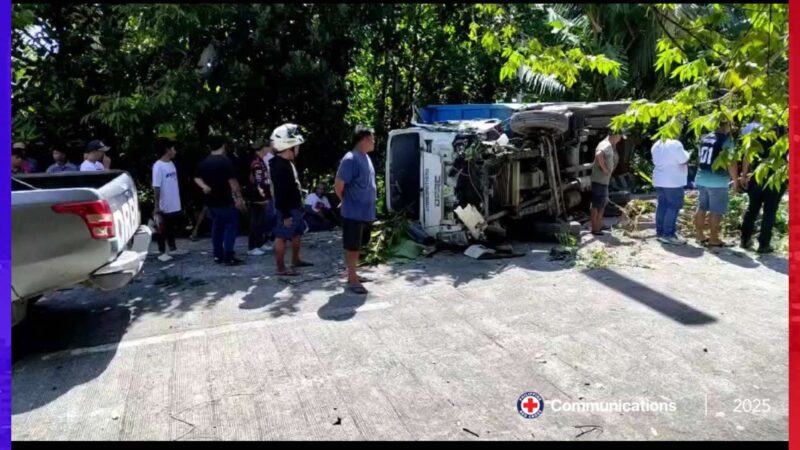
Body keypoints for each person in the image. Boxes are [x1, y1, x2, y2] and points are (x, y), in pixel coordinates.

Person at [335, 126, 378, 295]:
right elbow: (339, 185)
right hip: (353, 212)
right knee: (352, 246)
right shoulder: (350, 159)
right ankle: (352, 280)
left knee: (359, 245)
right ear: (364, 139)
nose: (374, 142)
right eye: (372, 138)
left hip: (365, 212)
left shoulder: (365, 157)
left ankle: (354, 275)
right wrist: (345, 201)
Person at [194, 136, 247, 266]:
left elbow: (196, 177)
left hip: (211, 201)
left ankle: (218, 255)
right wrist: (239, 198)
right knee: (231, 226)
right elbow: (233, 183)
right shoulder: (225, 162)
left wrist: (204, 186)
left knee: (216, 227)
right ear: (223, 146)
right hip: (225, 200)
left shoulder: (204, 162)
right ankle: (229, 255)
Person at [269, 123, 313, 276]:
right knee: (282, 236)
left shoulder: (286, 163)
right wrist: (286, 215)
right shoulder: (279, 167)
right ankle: (281, 268)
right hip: (286, 209)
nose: (298, 149)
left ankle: (295, 260)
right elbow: (281, 193)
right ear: (288, 146)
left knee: (297, 233)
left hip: (294, 206)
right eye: (296, 146)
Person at [739, 123, 788, 254]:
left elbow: (747, 157)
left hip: (757, 177)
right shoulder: (786, 140)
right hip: (777, 179)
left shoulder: (758, 137)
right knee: (770, 212)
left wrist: (744, 175)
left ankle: (745, 239)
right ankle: (764, 244)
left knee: (752, 208)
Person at [694, 121, 739, 248]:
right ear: (726, 126)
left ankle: (699, 235)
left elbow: (699, 158)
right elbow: (731, 162)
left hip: (701, 177)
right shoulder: (727, 141)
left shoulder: (705, 138)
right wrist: (735, 180)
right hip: (718, 180)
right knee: (716, 210)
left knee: (702, 206)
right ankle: (714, 238)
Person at [152, 137, 187, 262]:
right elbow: (156, 187)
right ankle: (162, 251)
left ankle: (173, 248)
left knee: (171, 226)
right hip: (164, 202)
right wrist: (157, 205)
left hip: (174, 200)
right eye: (173, 149)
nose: (175, 151)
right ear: (167, 150)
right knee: (162, 227)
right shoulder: (158, 167)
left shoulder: (171, 164)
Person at [651, 138, 690, 245]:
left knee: (662, 205)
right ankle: (668, 234)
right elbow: (684, 160)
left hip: (659, 179)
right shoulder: (675, 144)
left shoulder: (657, 144)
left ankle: (660, 233)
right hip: (673, 181)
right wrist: (688, 153)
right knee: (673, 207)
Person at [590, 132, 623, 236]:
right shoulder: (605, 145)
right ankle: (595, 228)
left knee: (603, 202)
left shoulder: (610, 145)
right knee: (597, 204)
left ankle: (600, 224)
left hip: (604, 180)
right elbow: (599, 154)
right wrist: (605, 169)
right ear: (615, 135)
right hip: (599, 180)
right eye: (620, 136)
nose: (620, 139)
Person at [246, 142, 275, 256]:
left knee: (261, 221)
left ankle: (260, 243)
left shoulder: (261, 160)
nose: (268, 150)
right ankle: (252, 247)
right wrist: (262, 196)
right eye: (266, 148)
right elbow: (258, 182)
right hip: (257, 196)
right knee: (255, 222)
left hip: (263, 194)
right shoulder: (256, 163)